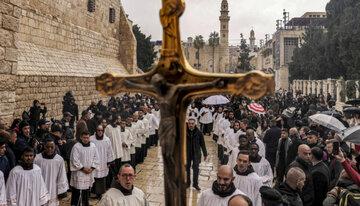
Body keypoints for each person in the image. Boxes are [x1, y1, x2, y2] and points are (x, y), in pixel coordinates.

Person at [34, 138, 68, 206]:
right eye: (47, 147)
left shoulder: (59, 159)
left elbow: (62, 176)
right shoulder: (37, 158)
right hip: (40, 188)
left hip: (53, 189)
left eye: (52, 147)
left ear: (55, 147)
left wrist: (61, 192)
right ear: (44, 146)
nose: (49, 149)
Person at [70, 131, 100, 206]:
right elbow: (74, 160)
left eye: (87, 138)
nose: (86, 139)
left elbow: (96, 158)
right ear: (81, 137)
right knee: (78, 191)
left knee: (86, 191)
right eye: (84, 138)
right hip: (79, 172)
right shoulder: (77, 146)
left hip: (89, 172)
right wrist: (83, 168)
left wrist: (92, 168)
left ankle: (85, 204)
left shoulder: (93, 146)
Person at [90, 125, 115, 198]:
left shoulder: (107, 140)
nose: (100, 132)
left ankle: (100, 193)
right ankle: (93, 193)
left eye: (101, 130)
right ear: (96, 131)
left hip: (103, 162)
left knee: (101, 178)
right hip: (94, 162)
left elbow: (109, 151)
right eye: (98, 130)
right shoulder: (91, 139)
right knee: (94, 177)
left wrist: (109, 162)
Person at [186, 118, 208, 190]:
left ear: (195, 124)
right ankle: (187, 183)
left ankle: (195, 184)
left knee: (196, 169)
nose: (191, 125)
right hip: (187, 153)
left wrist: (205, 154)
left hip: (196, 153)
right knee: (187, 169)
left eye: (192, 123)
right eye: (189, 123)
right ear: (188, 124)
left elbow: (203, 144)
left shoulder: (199, 132)